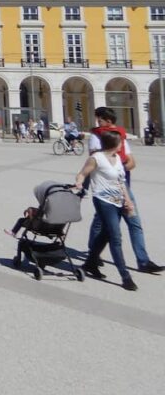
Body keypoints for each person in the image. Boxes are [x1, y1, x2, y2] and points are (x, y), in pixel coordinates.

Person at [85, 107, 163, 275]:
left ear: (108, 120)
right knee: (101, 224)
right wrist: (116, 165)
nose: (98, 122)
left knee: (134, 224)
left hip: (124, 187)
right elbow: (95, 162)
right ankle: (93, 255)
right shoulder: (95, 137)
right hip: (105, 190)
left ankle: (143, 261)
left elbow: (132, 163)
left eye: (100, 119)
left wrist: (116, 165)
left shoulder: (121, 135)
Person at [75, 130, 138, 290]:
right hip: (103, 201)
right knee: (115, 238)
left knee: (105, 235)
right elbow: (82, 173)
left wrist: (128, 201)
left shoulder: (117, 159)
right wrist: (79, 183)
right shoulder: (96, 158)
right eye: (121, 143)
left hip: (118, 201)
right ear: (114, 144)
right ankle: (125, 277)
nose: (122, 145)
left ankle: (89, 264)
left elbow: (121, 182)